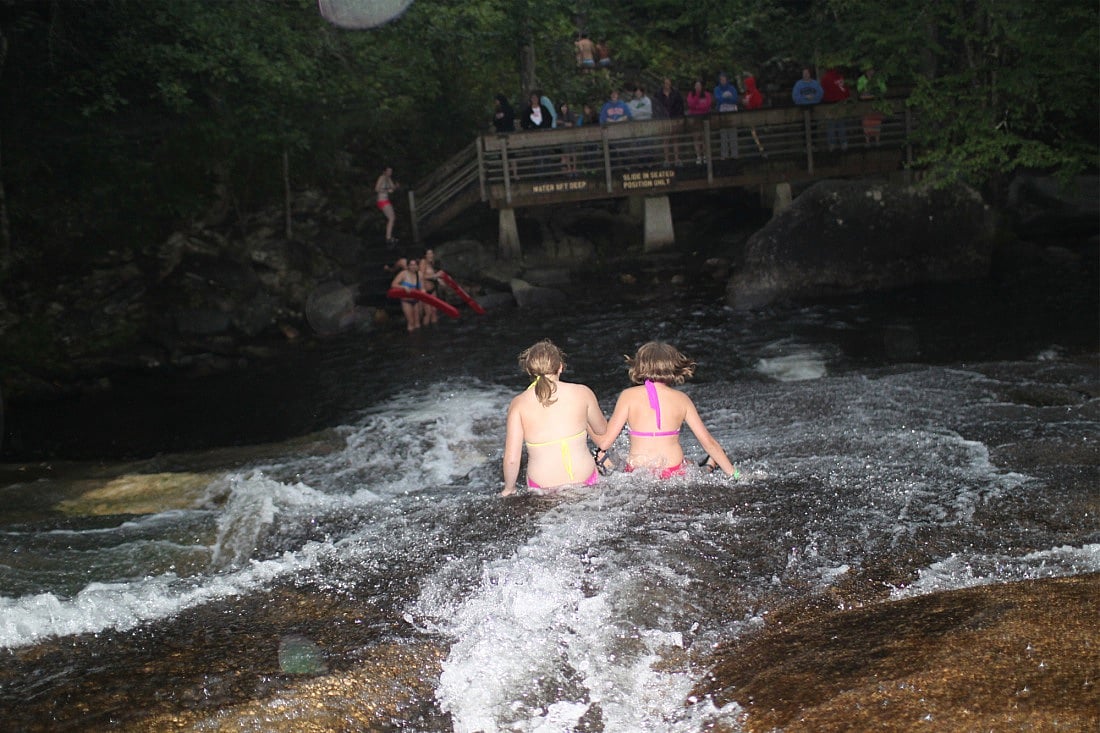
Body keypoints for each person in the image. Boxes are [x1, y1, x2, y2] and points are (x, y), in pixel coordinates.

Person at [595, 342, 737, 479]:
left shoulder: (628, 395)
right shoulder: (682, 399)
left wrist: (586, 422)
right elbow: (708, 442)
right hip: (673, 470)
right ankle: (710, 465)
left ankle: (709, 464)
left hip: (637, 471)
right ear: (674, 367)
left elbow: (605, 443)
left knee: (608, 458)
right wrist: (735, 475)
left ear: (640, 365)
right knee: (693, 468)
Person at [502, 340, 609, 496]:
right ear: (560, 367)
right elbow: (601, 429)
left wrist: (509, 489)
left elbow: (512, 458)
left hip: (542, 486)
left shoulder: (518, 403)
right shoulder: (582, 392)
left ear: (530, 371)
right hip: (585, 479)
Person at [653, 77, 685, 165]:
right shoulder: (658, 94)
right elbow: (656, 108)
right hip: (664, 120)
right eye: (665, 83)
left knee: (675, 139)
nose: (667, 85)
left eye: (668, 83)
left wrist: (679, 118)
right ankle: (666, 160)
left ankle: (677, 159)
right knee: (665, 140)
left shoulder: (676, 93)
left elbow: (680, 106)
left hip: (674, 118)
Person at [820, 67, 851, 151]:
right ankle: (842, 143)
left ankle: (834, 144)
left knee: (834, 125)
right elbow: (846, 90)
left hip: (834, 104)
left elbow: (823, 93)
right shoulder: (832, 77)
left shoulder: (827, 78)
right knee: (838, 125)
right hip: (836, 104)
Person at [389, 256, 422, 332]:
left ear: (417, 266)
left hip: (417, 300)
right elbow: (393, 284)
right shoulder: (403, 274)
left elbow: (422, 287)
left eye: (415, 265)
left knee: (417, 323)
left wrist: (423, 291)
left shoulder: (419, 274)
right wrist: (403, 287)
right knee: (411, 323)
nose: (413, 267)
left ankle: (419, 341)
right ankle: (411, 341)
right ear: (408, 266)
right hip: (406, 301)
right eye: (411, 265)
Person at [856, 66, 886, 145]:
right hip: (865, 103)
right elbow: (859, 90)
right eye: (868, 70)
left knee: (876, 122)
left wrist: (878, 92)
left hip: (875, 103)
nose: (870, 72)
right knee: (866, 123)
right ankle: (867, 141)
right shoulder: (861, 79)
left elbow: (883, 89)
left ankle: (877, 141)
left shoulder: (878, 79)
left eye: (872, 70)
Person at [685, 79, 713, 164]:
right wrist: (697, 97)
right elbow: (691, 105)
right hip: (695, 118)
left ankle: (705, 156)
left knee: (704, 138)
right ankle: (698, 156)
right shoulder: (691, 94)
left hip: (704, 118)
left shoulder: (707, 94)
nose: (698, 87)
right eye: (696, 85)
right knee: (696, 138)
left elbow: (707, 105)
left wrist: (697, 107)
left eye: (699, 85)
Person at [713, 72, 740, 160]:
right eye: (721, 80)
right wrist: (725, 97)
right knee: (723, 135)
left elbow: (735, 99)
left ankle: (734, 154)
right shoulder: (717, 89)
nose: (723, 81)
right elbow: (718, 98)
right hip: (722, 115)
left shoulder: (732, 88)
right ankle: (724, 155)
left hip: (731, 114)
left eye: (724, 79)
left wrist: (727, 98)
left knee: (733, 135)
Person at [740, 72, 767, 156]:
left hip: (756, 117)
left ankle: (761, 151)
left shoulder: (756, 93)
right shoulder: (747, 94)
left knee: (757, 135)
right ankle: (754, 153)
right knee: (752, 135)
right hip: (749, 118)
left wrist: (749, 103)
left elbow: (758, 103)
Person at [374, 165, 400, 246]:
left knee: (392, 218)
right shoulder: (382, 177)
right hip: (382, 200)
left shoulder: (389, 179)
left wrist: (396, 187)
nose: (390, 173)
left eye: (391, 171)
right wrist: (386, 190)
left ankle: (389, 237)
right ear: (384, 171)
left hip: (386, 200)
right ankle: (388, 238)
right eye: (388, 171)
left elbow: (392, 189)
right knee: (391, 218)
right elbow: (377, 189)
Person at [419, 248, 442, 325]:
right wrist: (422, 288)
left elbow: (432, 276)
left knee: (434, 311)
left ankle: (435, 331)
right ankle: (425, 332)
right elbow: (421, 276)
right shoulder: (423, 262)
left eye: (431, 253)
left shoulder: (432, 263)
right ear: (425, 255)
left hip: (433, 289)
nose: (430, 255)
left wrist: (438, 279)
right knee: (428, 313)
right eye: (428, 253)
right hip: (425, 290)